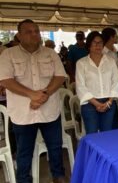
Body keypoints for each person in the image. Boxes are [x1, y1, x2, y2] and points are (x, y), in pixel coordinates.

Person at [0, 19, 67, 183]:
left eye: (36, 31)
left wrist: (43, 95)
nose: (34, 34)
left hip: (49, 111)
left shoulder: (50, 53)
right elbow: (6, 80)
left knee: (55, 148)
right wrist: (32, 95)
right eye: (28, 32)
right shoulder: (8, 54)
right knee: (24, 152)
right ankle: (24, 180)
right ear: (19, 35)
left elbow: (60, 76)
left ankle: (58, 177)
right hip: (23, 114)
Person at [76, 31, 118, 134]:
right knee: (92, 135)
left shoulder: (110, 61)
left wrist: (109, 101)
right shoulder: (81, 63)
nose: (97, 45)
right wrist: (96, 104)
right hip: (90, 104)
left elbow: (115, 82)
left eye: (100, 42)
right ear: (89, 45)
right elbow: (80, 86)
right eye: (94, 42)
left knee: (107, 134)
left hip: (108, 103)